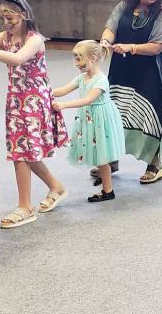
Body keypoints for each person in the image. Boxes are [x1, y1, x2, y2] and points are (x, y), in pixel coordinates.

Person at [0, 0, 69, 229]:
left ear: (24, 15)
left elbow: (17, 59)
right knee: (23, 150)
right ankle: (56, 187)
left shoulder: (35, 39)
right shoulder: (3, 37)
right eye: (1, 18)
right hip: (16, 99)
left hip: (34, 100)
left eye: (10, 18)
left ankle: (25, 207)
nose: (5, 23)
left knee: (22, 152)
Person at [99, 0, 162, 185]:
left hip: (150, 74)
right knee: (115, 114)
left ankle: (155, 165)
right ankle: (112, 160)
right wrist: (105, 41)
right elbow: (110, 28)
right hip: (122, 71)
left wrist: (131, 47)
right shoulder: (123, 7)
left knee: (149, 118)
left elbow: (157, 47)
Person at [51, 40, 125, 202]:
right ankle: (106, 181)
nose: (76, 63)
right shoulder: (82, 77)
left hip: (100, 120)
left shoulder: (101, 80)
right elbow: (63, 89)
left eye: (79, 59)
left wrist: (64, 105)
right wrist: (45, 91)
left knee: (102, 157)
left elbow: (88, 100)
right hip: (90, 119)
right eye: (75, 59)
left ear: (93, 58)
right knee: (98, 154)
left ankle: (108, 191)